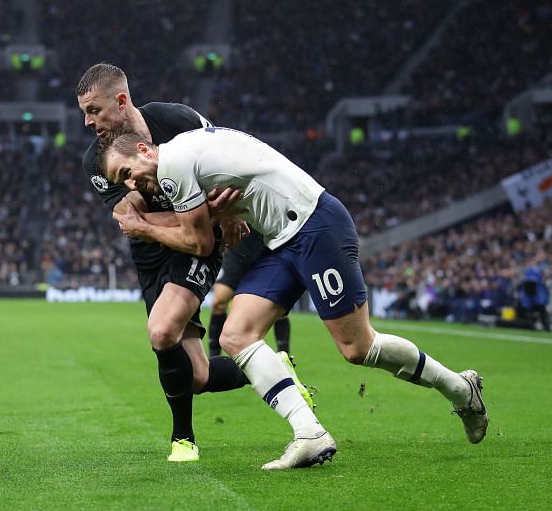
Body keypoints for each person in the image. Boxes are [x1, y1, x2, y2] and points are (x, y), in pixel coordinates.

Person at [103, 126, 489, 470]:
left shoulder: (174, 166)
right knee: (236, 336)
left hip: (315, 225)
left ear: (146, 150)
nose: (132, 184)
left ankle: (460, 389)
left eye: (128, 172)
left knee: (357, 348)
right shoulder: (182, 152)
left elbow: (200, 242)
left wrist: (141, 226)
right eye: (122, 183)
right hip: (279, 241)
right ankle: (310, 434)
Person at [76, 64, 291, 463]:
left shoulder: (178, 120)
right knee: (198, 376)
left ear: (121, 101)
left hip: (200, 245)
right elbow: (136, 220)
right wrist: (211, 212)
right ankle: (275, 368)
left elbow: (228, 157)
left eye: (94, 110)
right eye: (85, 113)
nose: (88, 122)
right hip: (153, 253)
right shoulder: (96, 161)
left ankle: (183, 440)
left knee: (160, 331)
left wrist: (220, 214)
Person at [209, 230, 292, 358]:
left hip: (267, 251)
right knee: (218, 301)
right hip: (237, 252)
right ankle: (214, 357)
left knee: (278, 309)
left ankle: (285, 357)